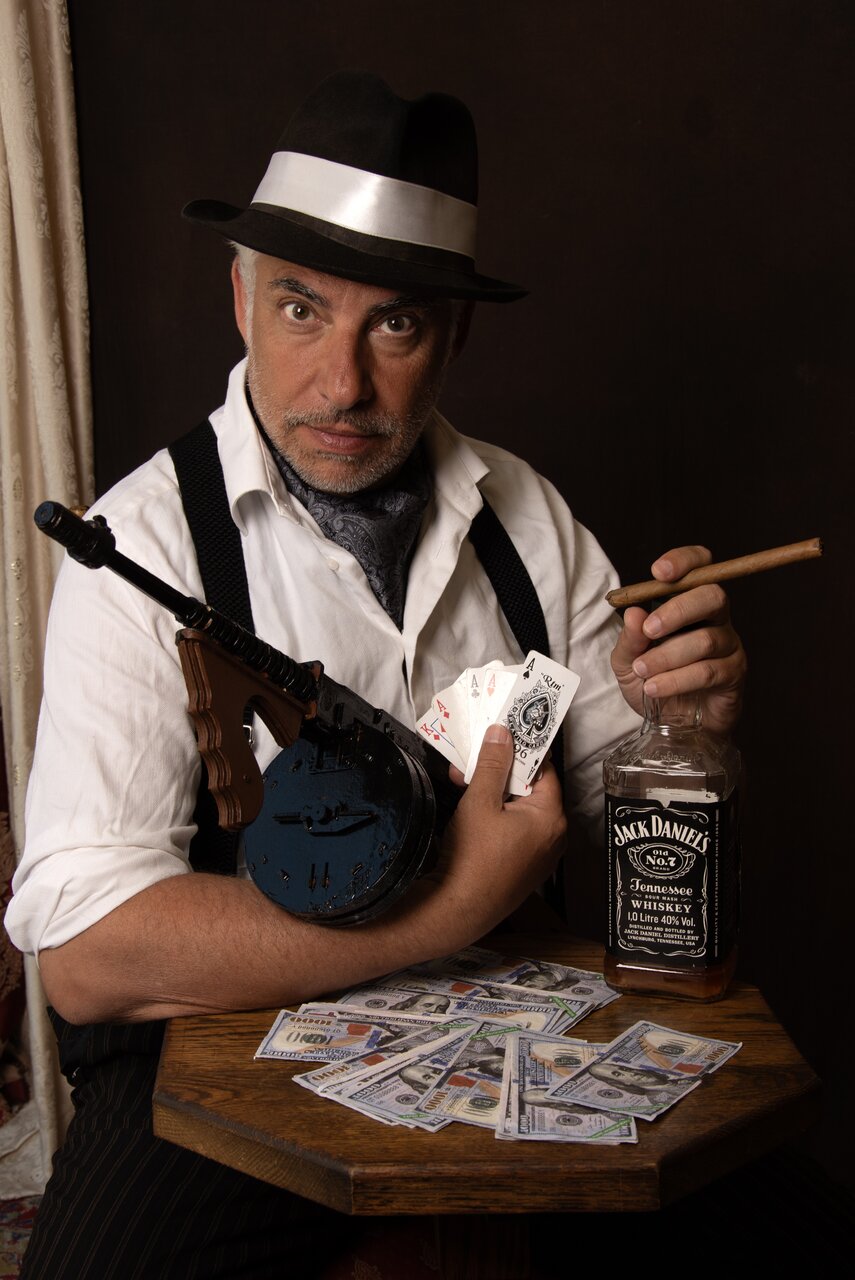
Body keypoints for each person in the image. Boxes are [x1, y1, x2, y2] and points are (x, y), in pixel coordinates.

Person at [7, 72, 746, 1277]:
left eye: (394, 325)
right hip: (217, 1073)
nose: (342, 383)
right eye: (301, 308)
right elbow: (89, 956)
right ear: (240, 296)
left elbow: (632, 813)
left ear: (455, 332)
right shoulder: (140, 544)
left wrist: (689, 728)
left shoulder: (528, 518)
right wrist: (448, 906)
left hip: (513, 1031)